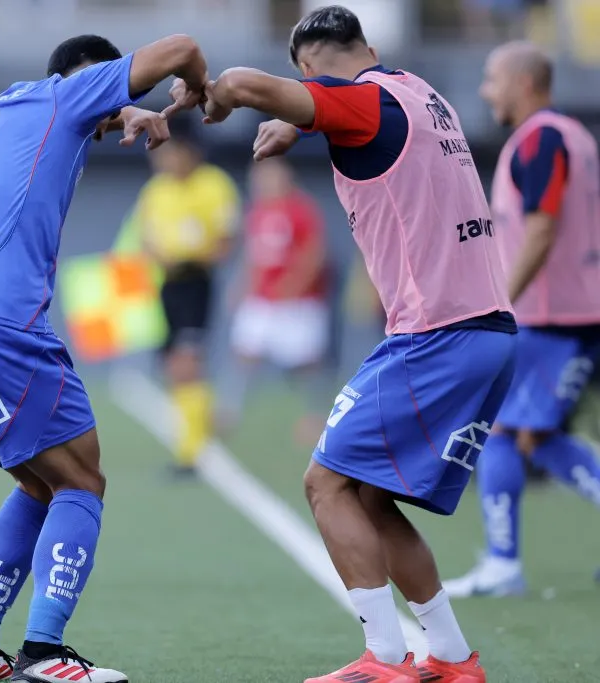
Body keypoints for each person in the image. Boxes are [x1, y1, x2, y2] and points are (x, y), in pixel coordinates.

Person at [185, 5, 516, 681]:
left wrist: (211, 96)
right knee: (366, 495)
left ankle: (385, 659)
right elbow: (368, 127)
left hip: (436, 334)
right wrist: (302, 120)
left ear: (308, 69)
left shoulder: (358, 102)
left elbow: (250, 83)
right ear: (365, 45)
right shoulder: (420, 93)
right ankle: (453, 657)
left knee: (324, 483)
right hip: (482, 329)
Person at [0, 33, 209, 683]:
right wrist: (198, 88)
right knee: (83, 481)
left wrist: (118, 110)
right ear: (96, 78)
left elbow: (74, 120)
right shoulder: (71, 92)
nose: (104, 131)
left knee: (38, 480)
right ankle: (45, 650)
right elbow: (183, 46)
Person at [443, 40, 600, 598]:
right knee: (528, 433)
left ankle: (503, 564)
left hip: (551, 316)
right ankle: (502, 562)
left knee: (510, 433)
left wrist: (501, 302)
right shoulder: (569, 135)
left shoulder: (542, 138)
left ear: (524, 83)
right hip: (561, 313)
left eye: (492, 78)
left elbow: (541, 228)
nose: (486, 90)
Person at [132, 121, 239, 473]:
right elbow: (144, 238)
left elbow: (224, 242)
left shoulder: (214, 185)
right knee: (172, 366)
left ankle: (192, 451)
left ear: (189, 151)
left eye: (169, 150)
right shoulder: (155, 191)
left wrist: (190, 255)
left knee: (187, 362)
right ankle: (196, 431)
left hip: (195, 282)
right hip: (166, 286)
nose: (163, 159)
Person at [224, 157, 329, 442]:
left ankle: (315, 415)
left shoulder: (302, 209)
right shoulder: (257, 211)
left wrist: (294, 284)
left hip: (298, 303)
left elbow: (314, 253)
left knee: (306, 364)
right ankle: (230, 411)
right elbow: (253, 256)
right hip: (263, 299)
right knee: (244, 353)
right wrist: (241, 286)